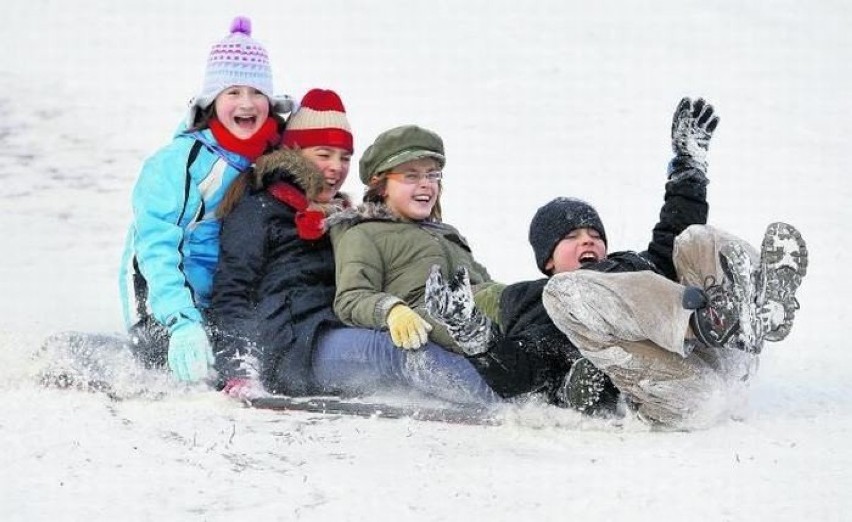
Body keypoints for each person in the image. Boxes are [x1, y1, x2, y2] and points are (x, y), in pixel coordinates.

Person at [425, 98, 716, 411]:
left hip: (715, 372)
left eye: (594, 235)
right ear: (548, 260)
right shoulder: (544, 300)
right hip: (664, 388)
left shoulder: (634, 267)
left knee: (695, 240)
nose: (587, 242)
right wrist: (469, 328)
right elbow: (518, 375)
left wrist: (689, 165)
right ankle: (696, 323)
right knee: (571, 289)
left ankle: (755, 309)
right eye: (571, 237)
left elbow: (677, 227)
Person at [211, 97, 495, 406]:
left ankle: (515, 382)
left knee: (428, 335)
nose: (336, 167)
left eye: (345, 157)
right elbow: (232, 290)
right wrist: (236, 367)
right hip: (295, 345)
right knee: (396, 352)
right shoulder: (261, 208)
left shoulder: (347, 215)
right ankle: (506, 403)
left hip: (343, 332)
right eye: (324, 154)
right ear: (293, 155)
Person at [118, 16, 292, 384]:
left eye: (256, 92)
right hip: (168, 302)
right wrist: (182, 322)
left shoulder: (276, 157)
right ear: (213, 101)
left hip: (234, 303)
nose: (246, 102)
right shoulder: (176, 163)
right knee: (194, 373)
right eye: (233, 92)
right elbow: (156, 248)